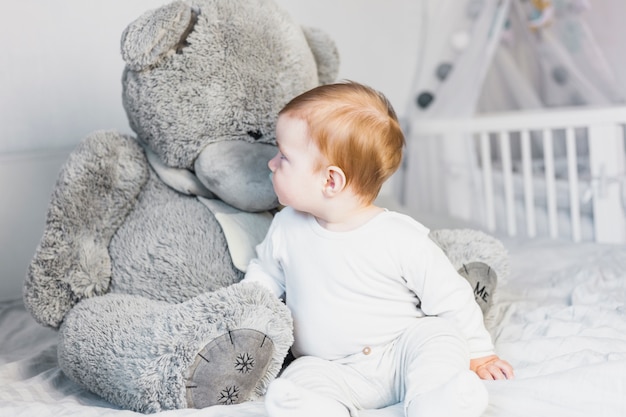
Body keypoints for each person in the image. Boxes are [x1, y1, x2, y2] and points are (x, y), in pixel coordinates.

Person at [242, 81, 513, 417]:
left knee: (438, 336)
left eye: (284, 156)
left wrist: (479, 352)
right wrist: (245, 315)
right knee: (300, 375)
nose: (271, 163)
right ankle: (320, 408)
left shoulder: (400, 237)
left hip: (399, 354)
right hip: (331, 366)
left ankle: (435, 400)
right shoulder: (286, 227)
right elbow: (265, 276)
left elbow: (451, 297)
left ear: (331, 181)